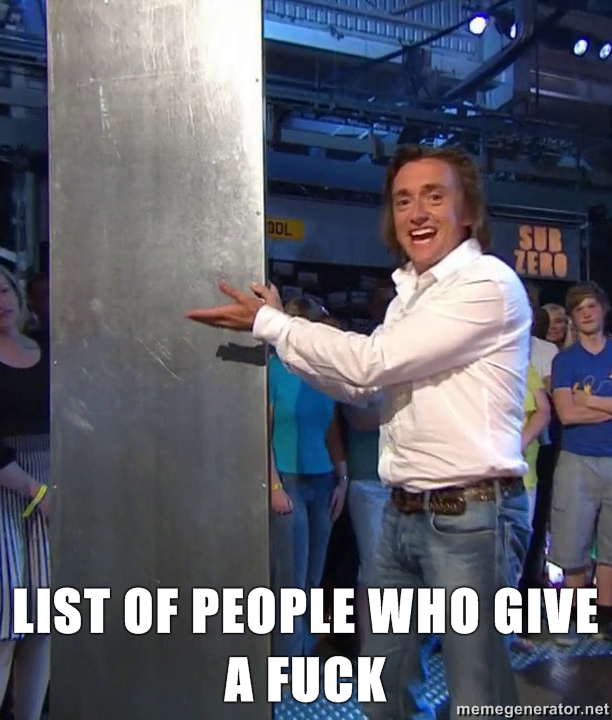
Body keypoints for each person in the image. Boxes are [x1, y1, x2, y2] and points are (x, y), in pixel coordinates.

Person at [186, 145, 532, 716]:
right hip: (402, 514)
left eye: (433, 196)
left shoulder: (486, 284)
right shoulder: (408, 299)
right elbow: (360, 388)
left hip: (471, 518)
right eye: (403, 200)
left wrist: (273, 323)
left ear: (468, 210)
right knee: (385, 691)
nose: (416, 212)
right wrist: (280, 334)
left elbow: (372, 363)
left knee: (478, 696)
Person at [549, 281, 612, 643]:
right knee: (571, 546)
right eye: (579, 309)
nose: (586, 313)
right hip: (577, 460)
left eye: (591, 306)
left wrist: (590, 402)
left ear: (603, 309)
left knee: (610, 550)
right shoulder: (566, 361)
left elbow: (578, 407)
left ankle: (604, 621)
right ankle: (572, 620)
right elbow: (567, 414)